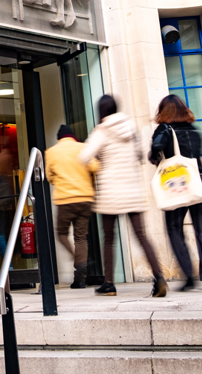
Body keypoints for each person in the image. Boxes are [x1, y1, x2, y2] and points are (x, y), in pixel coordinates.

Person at [80, 94, 168, 297]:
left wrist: (99, 162)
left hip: (110, 191)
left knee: (109, 239)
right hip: (132, 190)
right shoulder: (130, 126)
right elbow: (140, 155)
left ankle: (109, 283)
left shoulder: (102, 130)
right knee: (142, 236)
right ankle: (159, 277)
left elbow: (83, 156)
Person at [149, 95, 202, 292]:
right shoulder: (194, 130)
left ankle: (189, 275)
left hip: (175, 184)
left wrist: (155, 157)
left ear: (163, 111)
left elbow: (155, 149)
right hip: (198, 181)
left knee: (174, 227)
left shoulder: (164, 129)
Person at [45, 124, 99, 288]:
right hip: (85, 198)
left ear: (59, 138)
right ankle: (80, 278)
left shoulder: (51, 152)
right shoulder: (83, 148)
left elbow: (49, 177)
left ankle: (78, 261)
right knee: (80, 237)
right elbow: (95, 167)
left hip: (65, 200)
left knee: (61, 234)